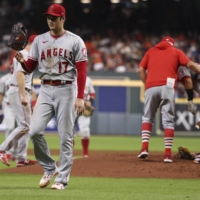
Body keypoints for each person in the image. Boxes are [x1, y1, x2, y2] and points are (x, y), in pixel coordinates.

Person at [14, 4, 87, 190]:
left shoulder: (75, 40)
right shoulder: (39, 40)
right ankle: (49, 167)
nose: (50, 20)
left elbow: (82, 71)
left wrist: (80, 97)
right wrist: (23, 62)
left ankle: (62, 180)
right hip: (45, 88)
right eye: (48, 17)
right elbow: (31, 67)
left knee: (65, 137)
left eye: (54, 17)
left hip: (67, 89)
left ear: (63, 19)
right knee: (35, 131)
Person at [137, 36, 200, 163]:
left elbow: (140, 69)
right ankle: (167, 155)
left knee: (147, 117)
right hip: (168, 86)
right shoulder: (176, 52)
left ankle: (144, 148)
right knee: (168, 122)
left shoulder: (150, 51)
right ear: (172, 44)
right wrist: (190, 101)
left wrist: (147, 84)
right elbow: (189, 71)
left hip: (150, 86)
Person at [0, 35, 38, 167]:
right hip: (19, 90)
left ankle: (21, 158)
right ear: (33, 43)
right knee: (25, 125)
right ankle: (2, 149)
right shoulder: (25, 53)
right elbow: (20, 75)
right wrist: (23, 95)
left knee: (27, 126)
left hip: (18, 90)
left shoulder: (23, 53)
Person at [75, 76, 95, 158]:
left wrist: (90, 101)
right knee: (69, 131)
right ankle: (68, 154)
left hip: (84, 106)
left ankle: (85, 153)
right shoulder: (69, 76)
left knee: (85, 130)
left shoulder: (88, 79)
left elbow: (92, 93)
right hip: (71, 106)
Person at [0, 72, 17, 161]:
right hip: (8, 105)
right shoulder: (4, 79)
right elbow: (1, 94)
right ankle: (5, 151)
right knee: (10, 128)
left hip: (19, 107)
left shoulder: (22, 75)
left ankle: (14, 152)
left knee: (19, 130)